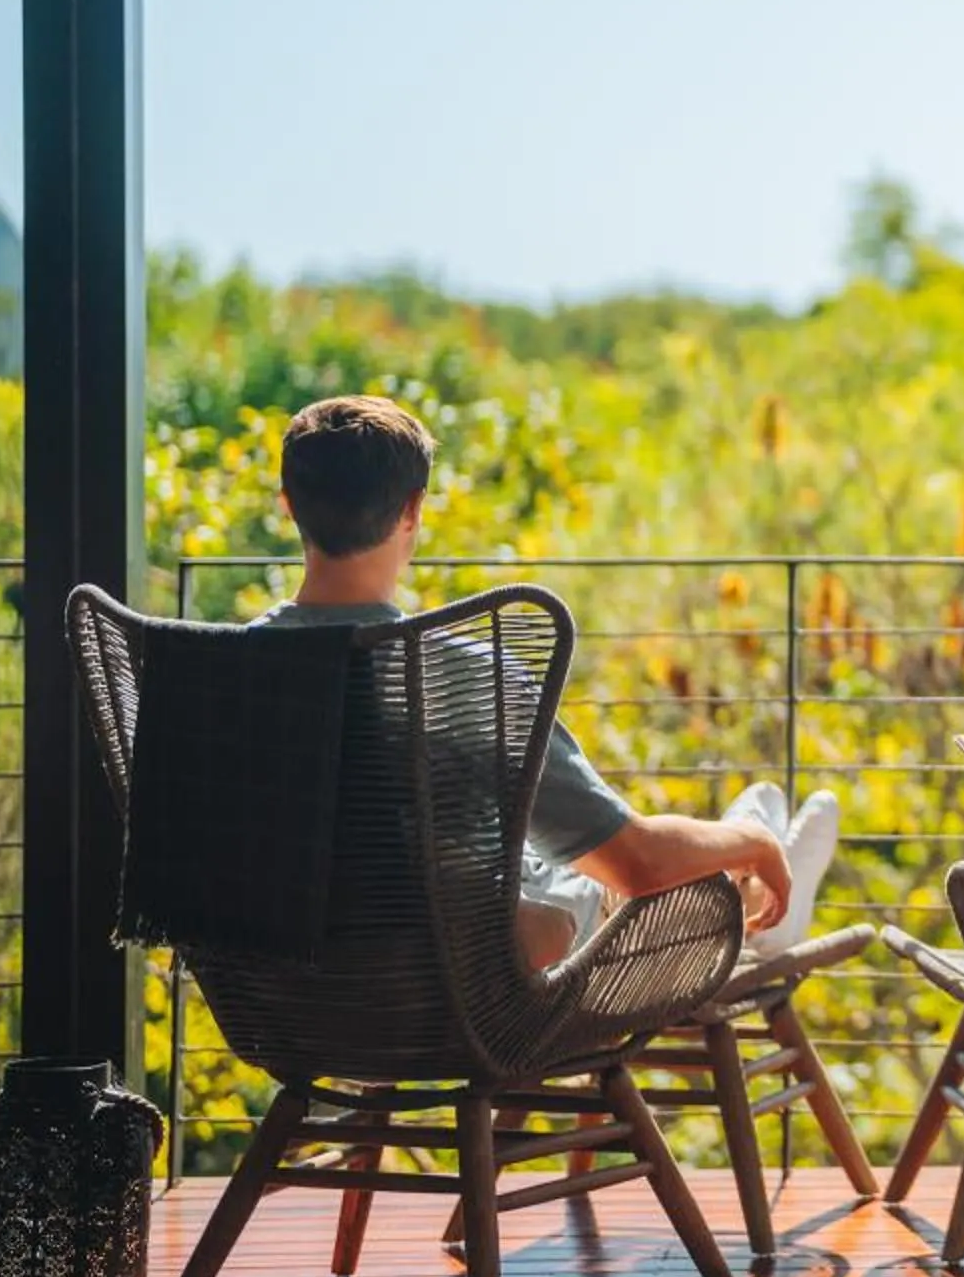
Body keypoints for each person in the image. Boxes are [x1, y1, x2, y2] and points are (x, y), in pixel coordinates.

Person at [253, 395, 834, 969]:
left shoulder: (228, 672)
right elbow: (638, 863)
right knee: (604, 883)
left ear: (288, 505)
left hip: (277, 990)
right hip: (464, 987)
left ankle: (755, 882)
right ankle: (758, 893)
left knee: (544, 865)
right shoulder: (464, 678)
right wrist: (753, 844)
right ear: (412, 510)